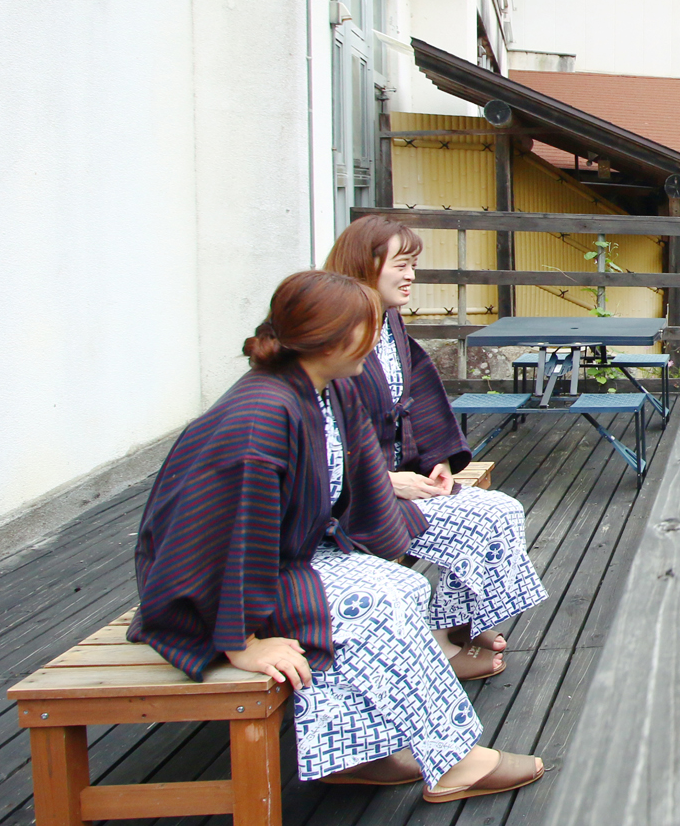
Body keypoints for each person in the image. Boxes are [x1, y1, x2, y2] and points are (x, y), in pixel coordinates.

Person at [128, 270, 544, 801]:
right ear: (328, 338)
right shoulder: (259, 418)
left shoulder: (327, 389)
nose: (376, 344)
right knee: (378, 601)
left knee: (406, 588)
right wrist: (240, 643)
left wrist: (412, 514)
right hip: (205, 588)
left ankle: (356, 756)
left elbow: (364, 481)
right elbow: (231, 539)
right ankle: (456, 761)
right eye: (367, 332)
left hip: (286, 557)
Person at [325, 216, 546, 682]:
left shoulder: (387, 323)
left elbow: (418, 393)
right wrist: (385, 481)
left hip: (395, 479)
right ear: (366, 264)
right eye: (401, 264)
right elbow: (322, 444)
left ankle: (460, 625)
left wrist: (437, 460)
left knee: (499, 510)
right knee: (478, 519)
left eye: (414, 265)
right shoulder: (334, 335)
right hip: (351, 503)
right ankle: (444, 645)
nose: (411, 275)